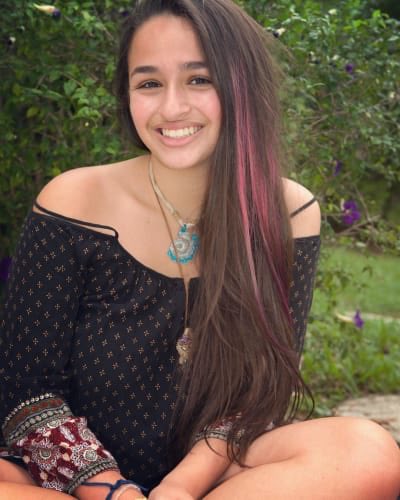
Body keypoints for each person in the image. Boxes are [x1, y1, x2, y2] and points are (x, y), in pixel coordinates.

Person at [1, 0, 399, 498]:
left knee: (369, 452)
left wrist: (180, 489)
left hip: (215, 476)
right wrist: (113, 491)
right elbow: (28, 394)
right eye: (149, 83)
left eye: (199, 79)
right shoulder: (74, 200)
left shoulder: (288, 212)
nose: (172, 108)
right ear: (127, 95)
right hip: (67, 483)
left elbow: (261, 394)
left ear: (241, 86)